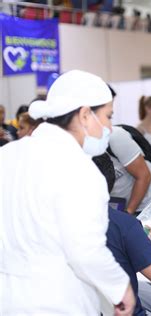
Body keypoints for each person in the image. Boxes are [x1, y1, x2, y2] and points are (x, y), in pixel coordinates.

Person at [0, 70, 135, 315]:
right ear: (85, 115)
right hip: (56, 302)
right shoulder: (79, 169)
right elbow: (86, 251)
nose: (110, 127)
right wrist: (120, 288)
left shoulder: (7, 155)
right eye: (108, 116)